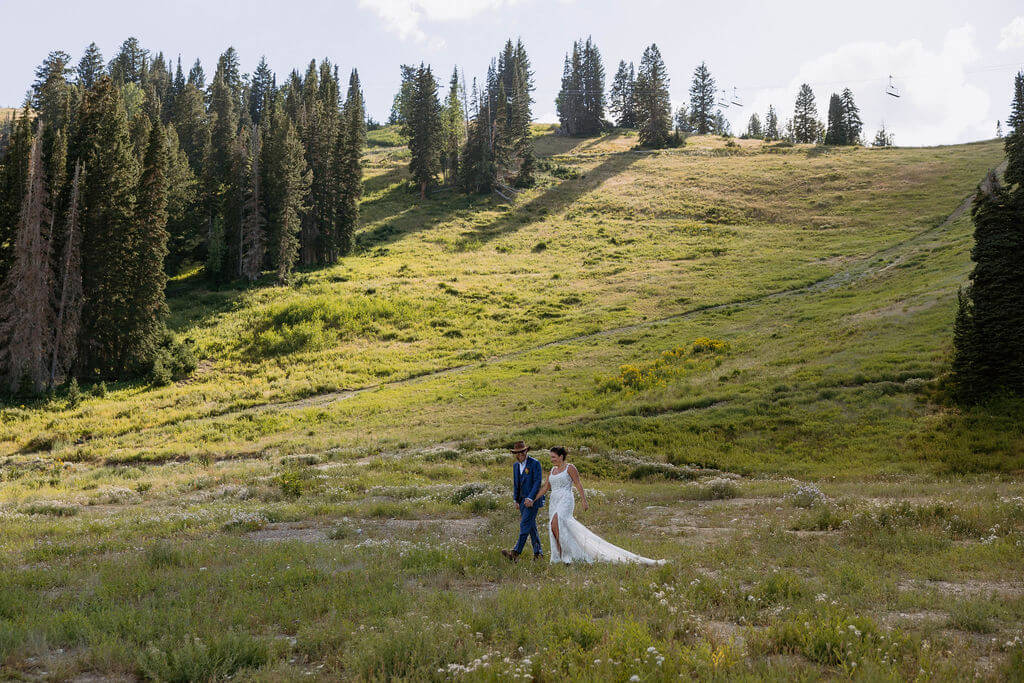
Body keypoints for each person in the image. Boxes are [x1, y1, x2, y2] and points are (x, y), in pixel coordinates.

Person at [535, 446, 665, 566]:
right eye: (551, 457)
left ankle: (566, 555)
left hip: (566, 499)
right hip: (554, 501)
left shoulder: (570, 468)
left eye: (553, 457)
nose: (551, 459)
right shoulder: (552, 470)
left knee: (557, 522)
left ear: (561, 456)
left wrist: (584, 500)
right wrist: (534, 499)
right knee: (554, 527)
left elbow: (578, 484)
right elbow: (546, 487)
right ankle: (560, 555)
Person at [501, 441, 545, 562]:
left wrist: (530, 498)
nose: (520, 454)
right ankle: (538, 554)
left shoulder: (535, 463)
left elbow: (537, 482)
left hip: (532, 500)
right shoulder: (516, 466)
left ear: (526, 451)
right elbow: (516, 484)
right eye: (517, 452)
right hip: (521, 502)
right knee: (531, 527)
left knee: (524, 524)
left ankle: (515, 552)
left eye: (522, 451)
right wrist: (516, 499)